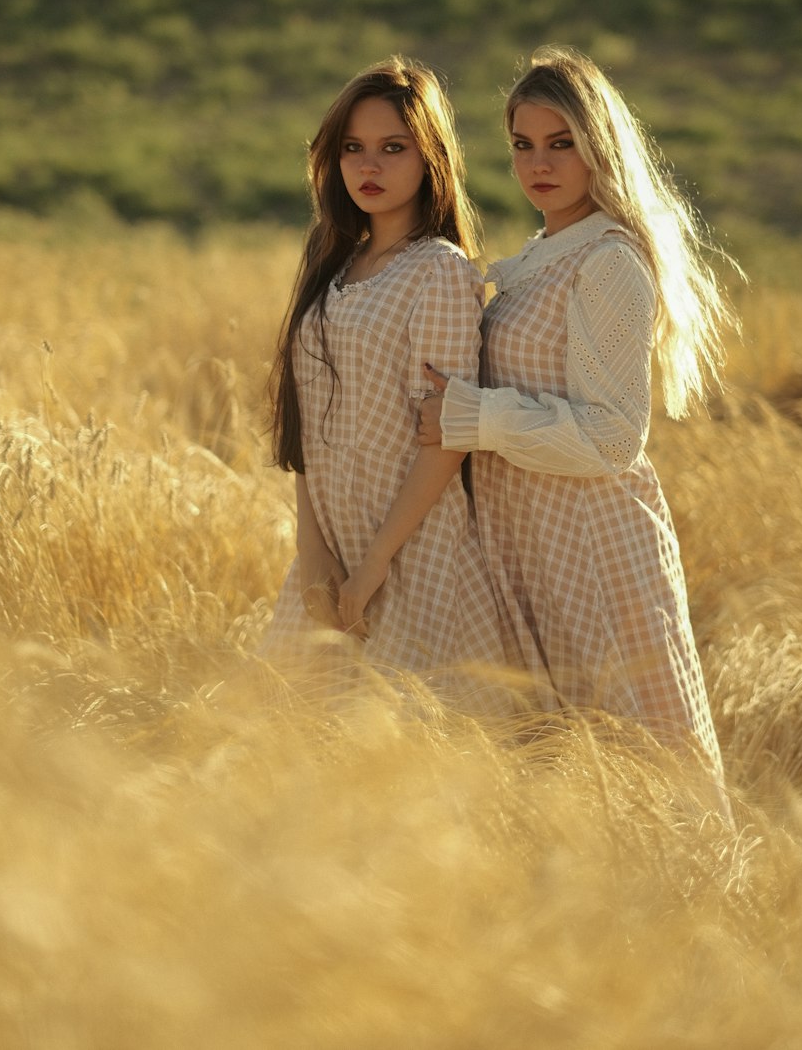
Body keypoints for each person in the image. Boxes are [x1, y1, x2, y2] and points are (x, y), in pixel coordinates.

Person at [418, 47, 735, 794]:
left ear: (600, 146)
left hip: (594, 549)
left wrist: (470, 414)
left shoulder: (609, 261)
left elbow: (612, 437)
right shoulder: (537, 255)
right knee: (553, 776)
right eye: (523, 145)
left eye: (561, 143)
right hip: (529, 542)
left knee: (641, 773)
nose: (539, 164)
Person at [263, 58, 510, 694]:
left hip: (412, 554)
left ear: (430, 160)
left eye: (392, 148)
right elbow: (308, 421)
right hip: (329, 553)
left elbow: (447, 434)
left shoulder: (440, 272)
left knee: (411, 759)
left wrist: (373, 568)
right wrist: (314, 555)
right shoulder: (331, 261)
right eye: (354, 148)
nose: (368, 167)